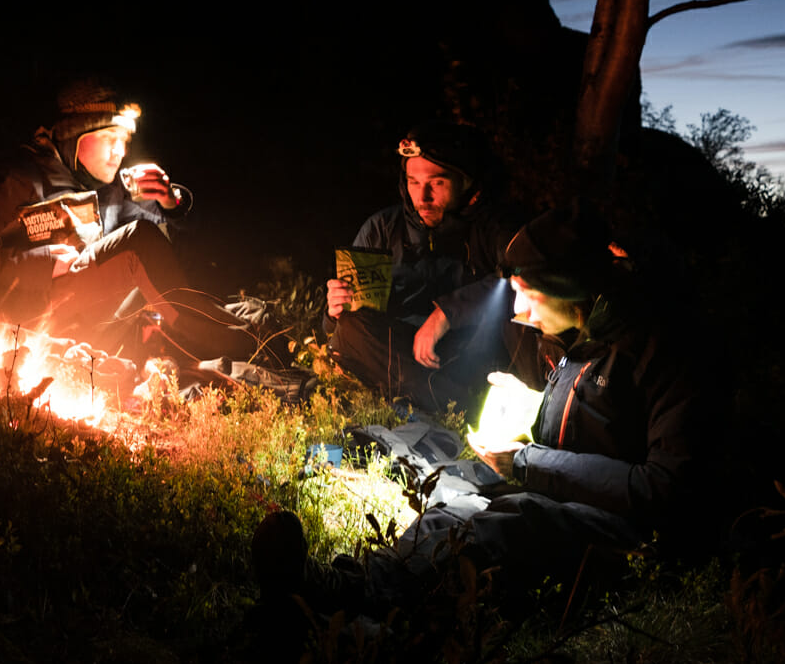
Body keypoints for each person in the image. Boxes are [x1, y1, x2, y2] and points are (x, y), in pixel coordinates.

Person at [257, 204, 707, 618]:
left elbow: (665, 490)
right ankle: (344, 587)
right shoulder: (579, 335)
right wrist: (532, 406)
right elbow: (594, 422)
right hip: (567, 493)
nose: (518, 310)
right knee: (455, 502)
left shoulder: (663, 353)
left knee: (507, 525)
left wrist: (528, 461)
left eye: (528, 294)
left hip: (633, 535)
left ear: (572, 294)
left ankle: (357, 615)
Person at [0, 79, 259, 367]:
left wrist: (170, 200)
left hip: (96, 324)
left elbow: (179, 246)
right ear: (75, 136)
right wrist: (39, 264)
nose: (119, 152)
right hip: (29, 323)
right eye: (108, 138)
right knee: (141, 240)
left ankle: (243, 338)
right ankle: (245, 344)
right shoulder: (20, 180)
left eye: (124, 140)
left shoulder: (112, 192)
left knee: (155, 260)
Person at [325, 122, 529, 413]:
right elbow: (342, 330)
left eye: (438, 182)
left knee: (519, 305)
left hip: (469, 352)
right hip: (399, 357)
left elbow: (525, 280)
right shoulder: (382, 229)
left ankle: (440, 403)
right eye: (413, 182)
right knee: (351, 329)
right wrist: (333, 312)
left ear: (465, 182)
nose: (423, 197)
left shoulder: (491, 228)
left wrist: (447, 313)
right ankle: (447, 404)